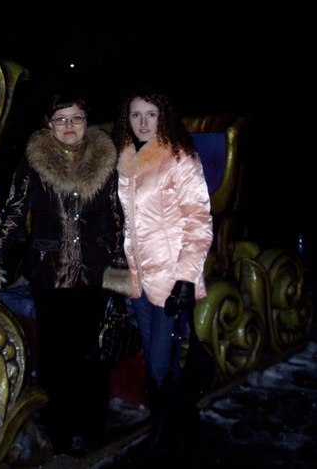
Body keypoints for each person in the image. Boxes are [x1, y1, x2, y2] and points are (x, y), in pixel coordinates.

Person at [0, 89, 125, 457]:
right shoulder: (35, 161)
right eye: (61, 119)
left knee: (90, 354)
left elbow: (115, 216)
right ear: (49, 124)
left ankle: (90, 429)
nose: (69, 126)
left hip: (93, 272)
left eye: (76, 118)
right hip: (50, 272)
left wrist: (118, 262)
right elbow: (14, 212)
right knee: (55, 356)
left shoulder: (105, 159)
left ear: (87, 121)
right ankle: (59, 430)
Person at [111, 87, 214, 462]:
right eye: (135, 114)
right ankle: (174, 428)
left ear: (163, 116)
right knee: (161, 362)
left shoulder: (179, 157)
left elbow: (199, 222)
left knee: (159, 364)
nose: (142, 122)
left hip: (171, 280)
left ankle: (164, 431)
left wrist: (186, 278)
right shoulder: (126, 158)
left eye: (150, 114)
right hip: (139, 278)